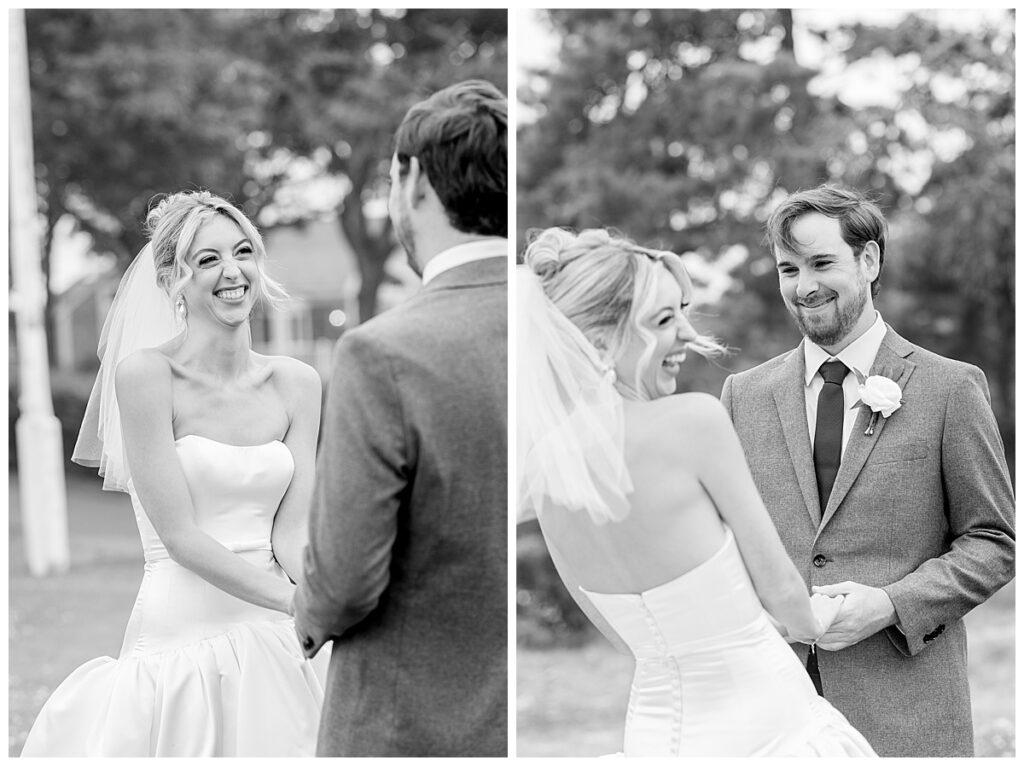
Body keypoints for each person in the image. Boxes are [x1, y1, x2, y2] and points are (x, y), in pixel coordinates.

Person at [517, 227, 876, 757]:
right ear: (598, 340)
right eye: (663, 320)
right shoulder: (693, 422)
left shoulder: (547, 468)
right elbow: (786, 600)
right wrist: (828, 610)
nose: (687, 333)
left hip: (653, 736)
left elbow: (619, 637)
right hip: (768, 731)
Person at [21, 190, 326, 757]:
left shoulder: (298, 383)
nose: (231, 271)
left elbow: (291, 531)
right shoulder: (146, 377)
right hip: (186, 629)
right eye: (206, 260)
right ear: (171, 282)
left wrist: (325, 590)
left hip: (282, 627)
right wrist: (296, 601)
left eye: (242, 252)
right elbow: (181, 538)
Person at [720, 184, 1015, 757]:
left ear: (870, 259)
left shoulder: (950, 388)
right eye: (787, 269)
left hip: (904, 713)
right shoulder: (742, 396)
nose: (803, 286)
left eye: (821, 263)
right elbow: (723, 545)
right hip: (768, 718)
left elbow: (994, 542)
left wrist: (889, 605)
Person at [292, 79, 508, 757]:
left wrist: (307, 618)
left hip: (405, 723)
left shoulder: (381, 352)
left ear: (412, 179)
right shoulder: (560, 329)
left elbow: (347, 575)